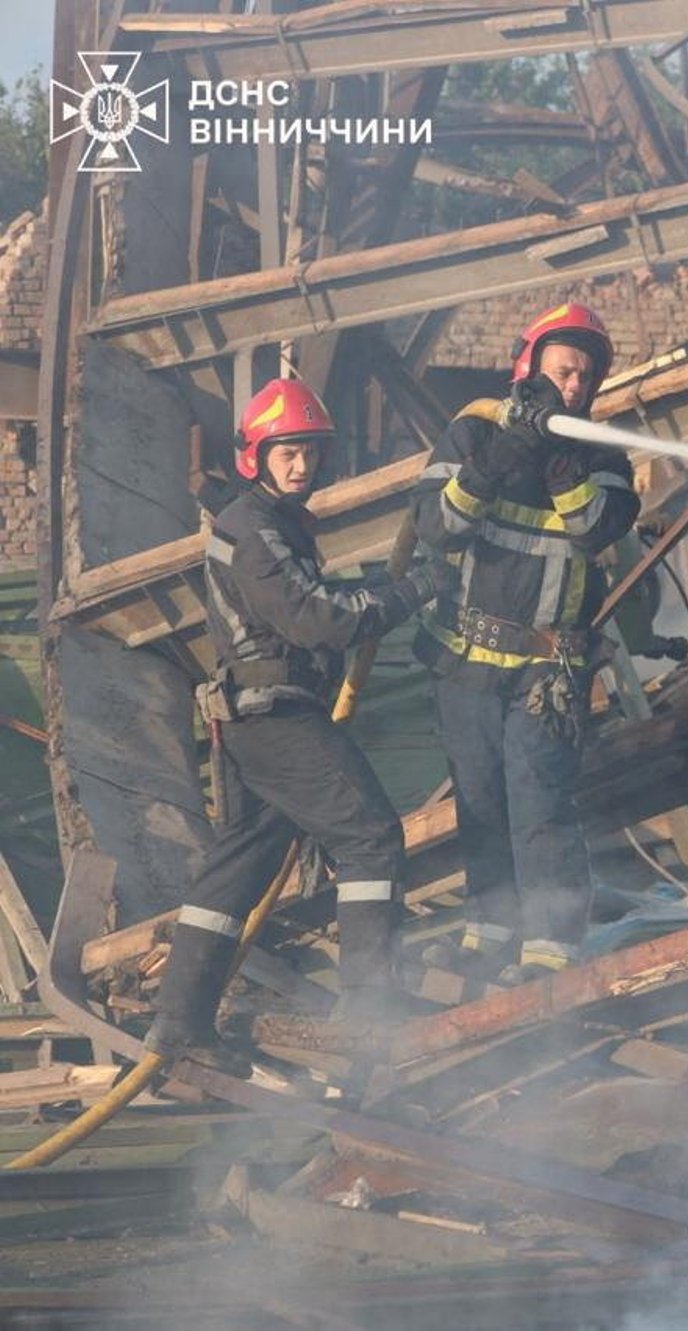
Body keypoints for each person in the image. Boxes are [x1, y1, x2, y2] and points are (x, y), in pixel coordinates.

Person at [147, 380, 449, 1065]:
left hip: (256, 721)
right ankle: (369, 1005)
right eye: (288, 452)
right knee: (371, 834)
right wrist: (414, 588)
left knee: (236, 872)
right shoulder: (253, 531)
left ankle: (178, 1022)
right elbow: (318, 618)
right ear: (256, 456)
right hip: (276, 717)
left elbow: (316, 603)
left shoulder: (271, 523)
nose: (302, 465)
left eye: (311, 452)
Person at [410, 304, 638, 984]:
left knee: (540, 805)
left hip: (545, 671)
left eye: (584, 377)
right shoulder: (472, 431)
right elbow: (435, 525)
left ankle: (550, 951)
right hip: (465, 662)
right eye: (563, 371)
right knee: (479, 803)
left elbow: (596, 527)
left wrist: (557, 456)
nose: (573, 386)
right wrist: (503, 455)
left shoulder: (601, 455)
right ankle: (491, 931)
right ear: (530, 367)